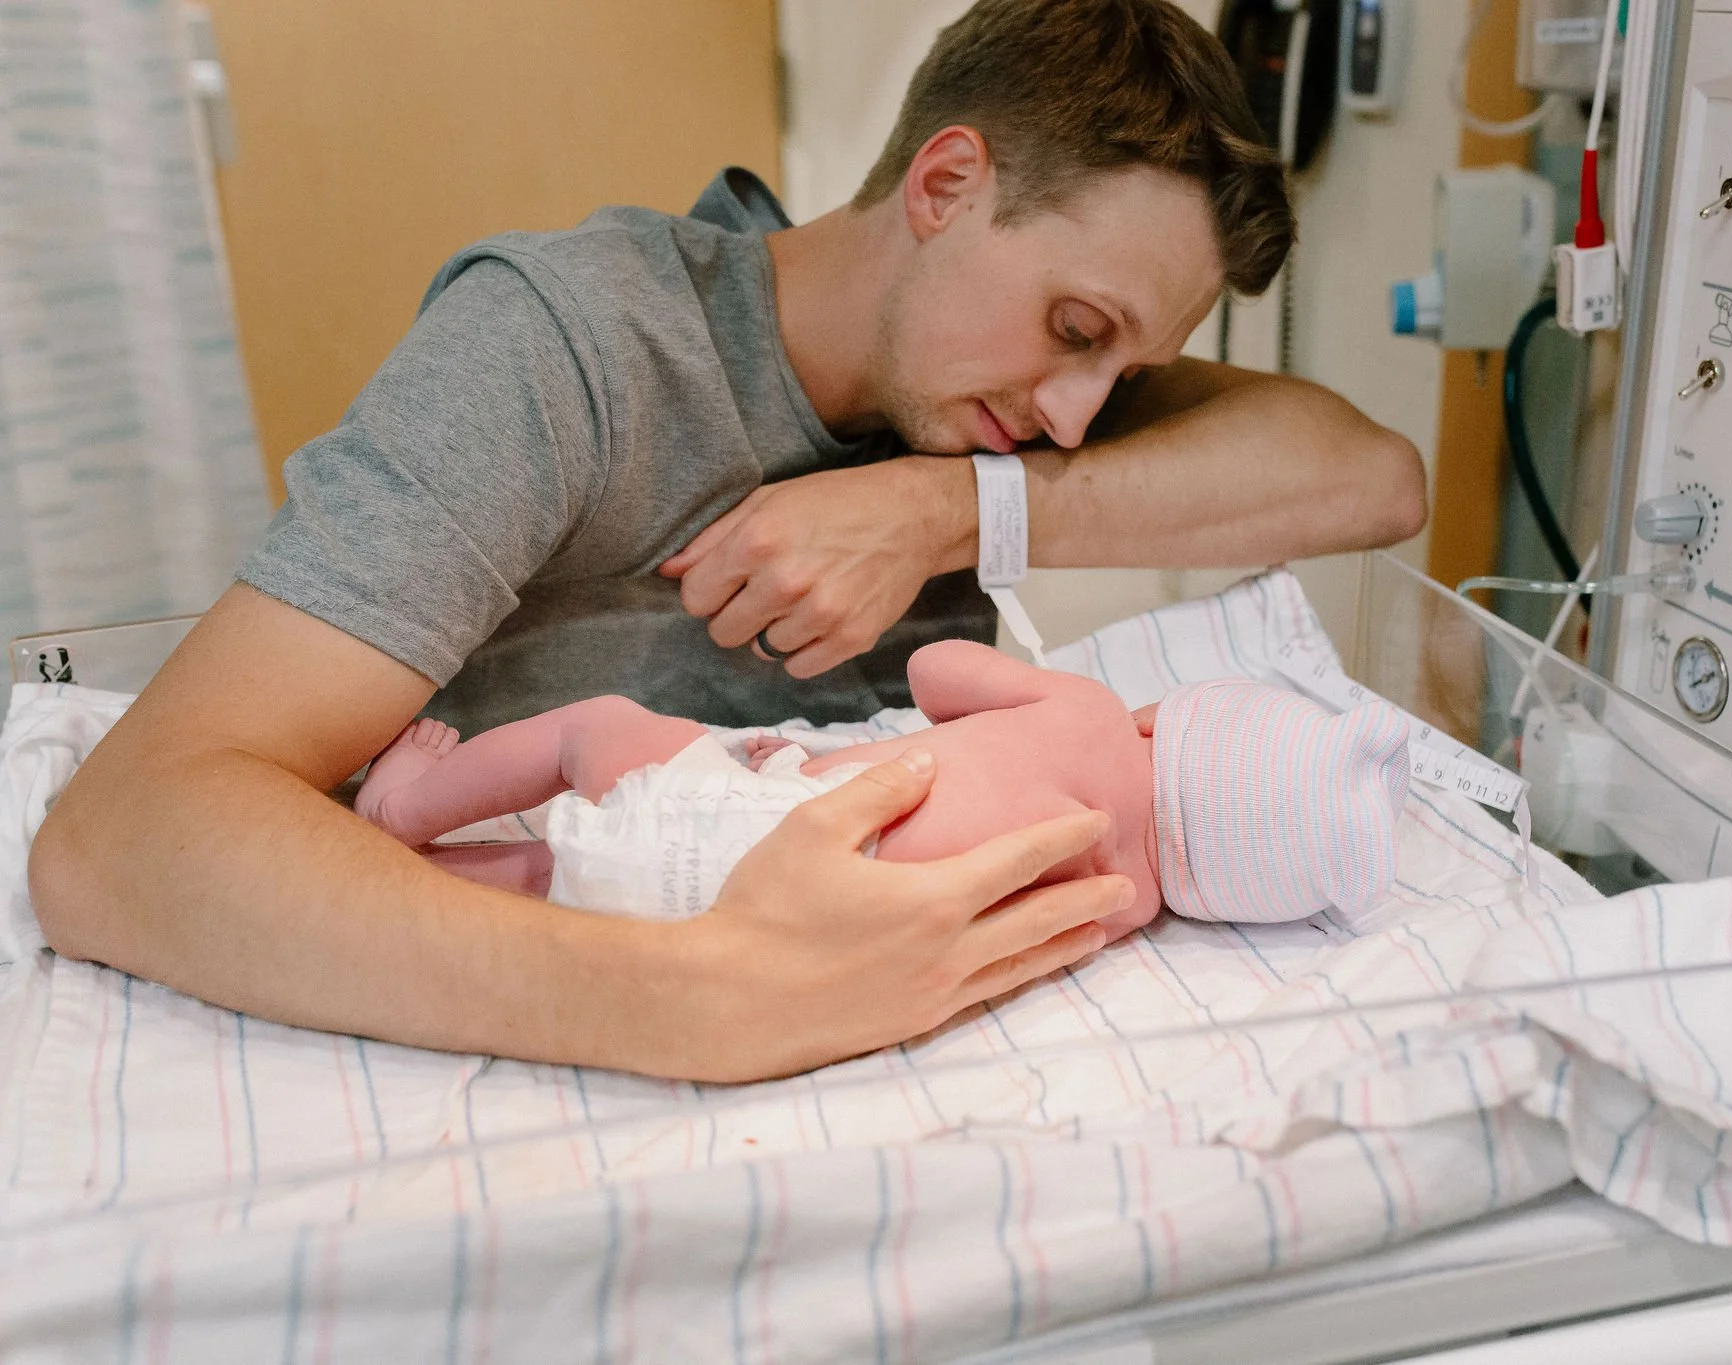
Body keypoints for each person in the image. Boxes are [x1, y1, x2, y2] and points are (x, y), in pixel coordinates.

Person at [28, 0, 1426, 1083]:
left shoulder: (998, 420)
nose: (1076, 411)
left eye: (1120, 375)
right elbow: (125, 838)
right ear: (944, 184)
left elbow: (1371, 478)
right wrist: (712, 998)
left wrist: (952, 506)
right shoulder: (566, 348)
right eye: (1076, 331)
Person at [351, 640, 1411, 937]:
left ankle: (402, 810)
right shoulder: (1126, 907)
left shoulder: (1090, 716)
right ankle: (438, 888)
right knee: (560, 875)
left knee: (596, 738)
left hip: (764, 811)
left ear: (1164, 721)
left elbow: (932, 670)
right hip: (777, 918)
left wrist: (989, 718)